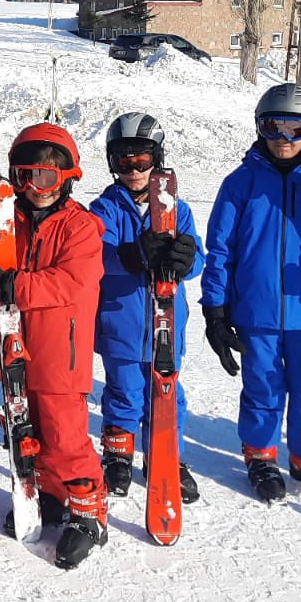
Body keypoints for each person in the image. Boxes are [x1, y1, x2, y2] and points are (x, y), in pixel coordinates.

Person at [199, 83, 301, 504]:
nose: (284, 140)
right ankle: (260, 454)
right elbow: (220, 249)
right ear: (260, 128)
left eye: (296, 130)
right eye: (274, 128)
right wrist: (215, 311)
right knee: (264, 385)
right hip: (255, 311)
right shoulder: (241, 183)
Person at [0, 123, 107, 570]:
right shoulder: (9, 219)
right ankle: (51, 496)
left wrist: (13, 285)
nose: (35, 188)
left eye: (46, 177)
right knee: (26, 432)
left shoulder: (82, 227)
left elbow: (70, 283)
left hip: (62, 354)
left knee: (64, 437)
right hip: (14, 344)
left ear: (68, 177)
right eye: (24, 177)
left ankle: (88, 512)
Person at [88, 113, 203, 501]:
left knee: (168, 392)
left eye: (142, 161)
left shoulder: (178, 209)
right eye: (124, 162)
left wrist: (187, 258)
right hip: (120, 323)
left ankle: (165, 453)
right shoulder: (103, 210)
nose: (135, 170)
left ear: (157, 159)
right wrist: (133, 255)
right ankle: (118, 455)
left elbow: (199, 258)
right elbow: (93, 258)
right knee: (123, 392)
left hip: (166, 325)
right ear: (111, 163)